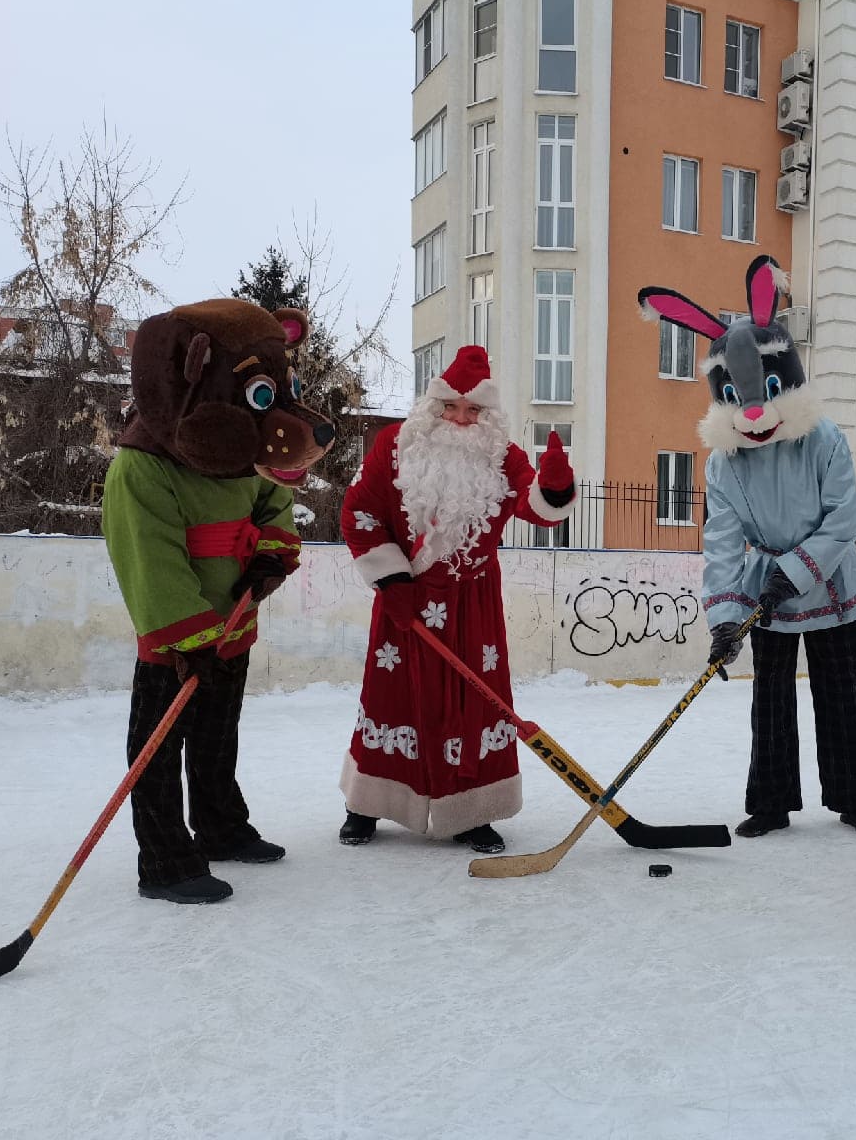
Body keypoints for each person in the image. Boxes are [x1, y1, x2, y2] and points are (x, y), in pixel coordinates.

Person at [639, 256, 856, 839]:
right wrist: (724, 617)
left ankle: (851, 799)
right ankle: (771, 804)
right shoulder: (725, 462)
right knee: (770, 703)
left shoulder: (823, 438)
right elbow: (722, 541)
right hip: (764, 592)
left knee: (843, 697)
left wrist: (794, 573)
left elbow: (842, 519)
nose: (754, 413)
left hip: (829, 582)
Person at [103, 298, 335, 904]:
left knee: (217, 733)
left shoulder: (243, 449)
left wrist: (271, 553)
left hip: (235, 618)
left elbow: (273, 499)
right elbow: (150, 561)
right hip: (178, 640)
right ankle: (164, 859)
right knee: (158, 747)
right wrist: (190, 637)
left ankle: (220, 825)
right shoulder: (142, 468)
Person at [338, 345, 576, 853]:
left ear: (489, 415)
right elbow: (359, 512)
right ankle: (368, 802)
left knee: (476, 705)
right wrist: (392, 581)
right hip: (405, 598)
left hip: (472, 606)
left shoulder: (503, 457)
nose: (461, 419)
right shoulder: (393, 446)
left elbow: (536, 507)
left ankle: (472, 810)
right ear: (434, 406)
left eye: (473, 410)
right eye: (451, 407)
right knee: (391, 699)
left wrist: (555, 486)